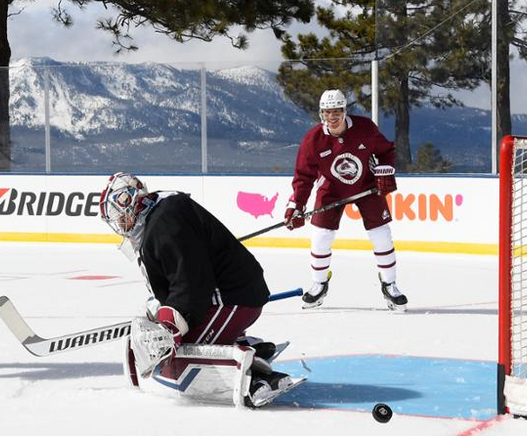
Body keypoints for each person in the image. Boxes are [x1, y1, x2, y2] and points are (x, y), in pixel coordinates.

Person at [98, 172, 291, 403]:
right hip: (228, 293)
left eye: (121, 217)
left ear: (135, 202)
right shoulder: (160, 215)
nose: (121, 225)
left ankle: (258, 379)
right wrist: (164, 306)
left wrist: (173, 323)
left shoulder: (165, 221)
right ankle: (248, 347)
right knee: (174, 343)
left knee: (179, 356)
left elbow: (192, 282)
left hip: (231, 298)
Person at [284, 89, 407, 311]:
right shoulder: (313, 140)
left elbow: (386, 150)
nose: (332, 117)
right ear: (321, 113)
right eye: (328, 112)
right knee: (321, 236)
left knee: (381, 235)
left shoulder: (365, 128)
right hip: (331, 189)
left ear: (344, 111)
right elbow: (304, 177)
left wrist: (385, 171)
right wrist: (297, 205)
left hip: (367, 186)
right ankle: (319, 284)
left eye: (337, 111)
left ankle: (389, 284)